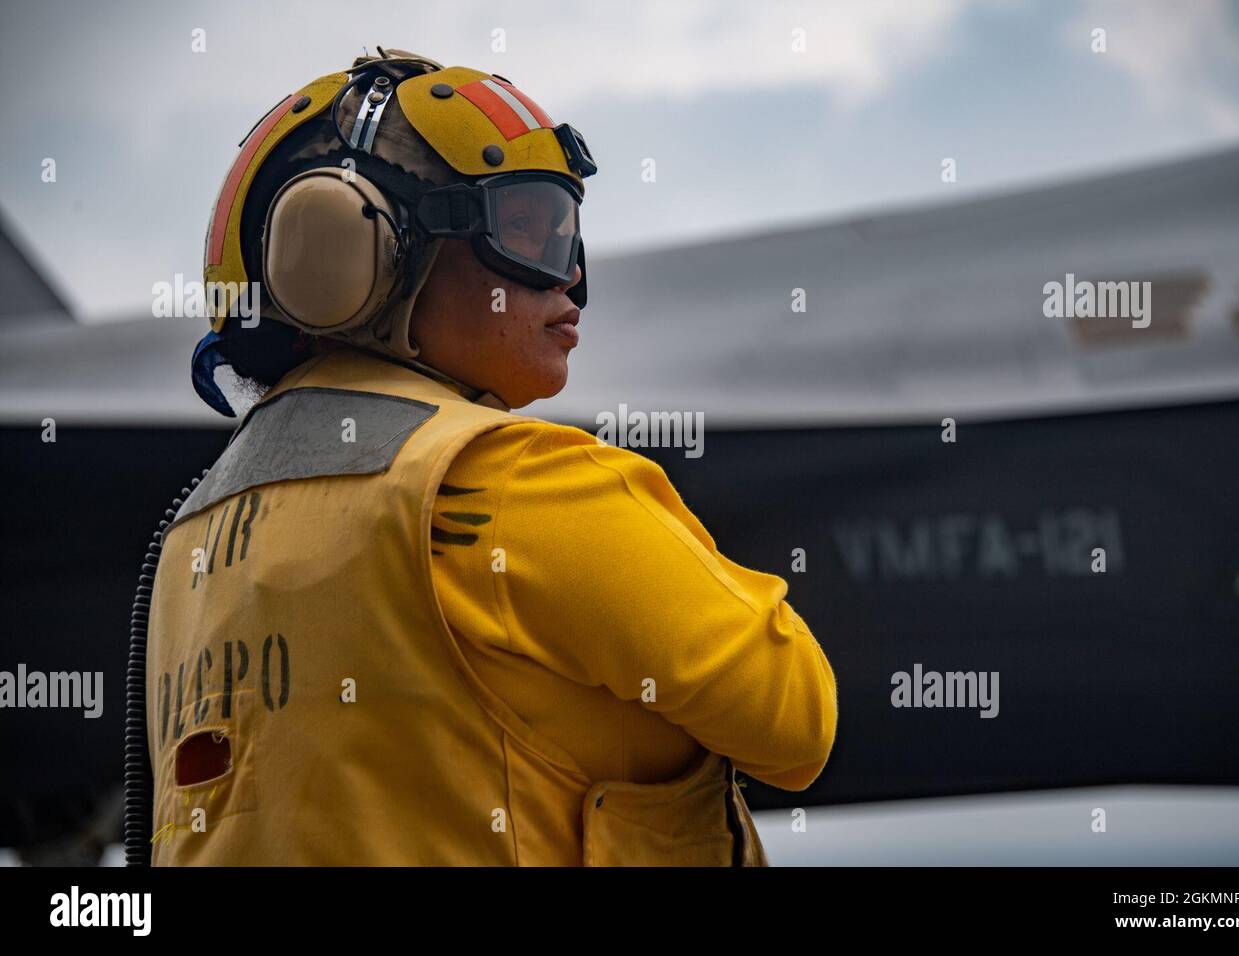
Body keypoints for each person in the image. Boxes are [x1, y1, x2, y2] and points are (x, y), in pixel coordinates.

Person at [142, 48, 837, 866]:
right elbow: (797, 721)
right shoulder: (521, 480)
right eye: (526, 234)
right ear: (352, 250)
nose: (570, 279)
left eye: (568, 237)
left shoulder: (193, 539)